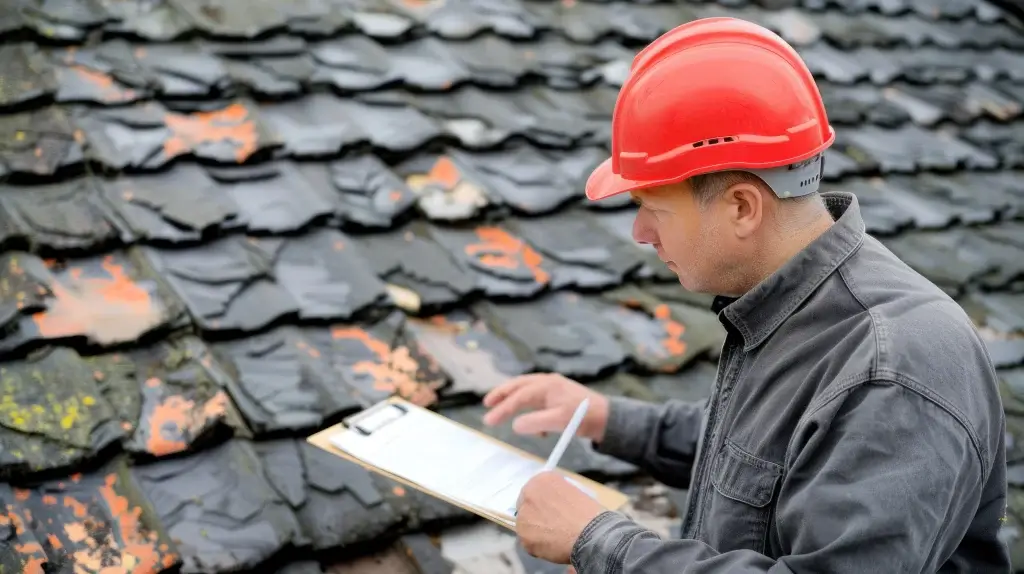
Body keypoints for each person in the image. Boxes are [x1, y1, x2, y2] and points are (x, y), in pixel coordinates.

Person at [482, 17, 1010, 574]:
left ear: (741, 207)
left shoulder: (893, 374)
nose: (640, 232)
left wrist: (601, 542)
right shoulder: (804, 306)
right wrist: (605, 419)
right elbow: (759, 460)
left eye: (654, 208)